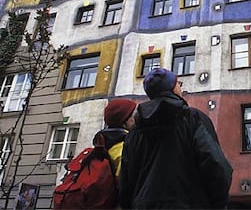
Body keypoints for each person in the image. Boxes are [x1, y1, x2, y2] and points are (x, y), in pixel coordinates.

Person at [119, 68, 233, 209]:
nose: (181, 88)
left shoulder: (134, 133)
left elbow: (125, 184)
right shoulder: (192, 119)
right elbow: (216, 165)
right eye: (179, 83)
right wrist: (218, 203)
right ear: (173, 88)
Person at [93, 98, 137, 184]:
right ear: (125, 121)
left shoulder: (105, 141)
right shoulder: (122, 148)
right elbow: (125, 183)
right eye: (132, 115)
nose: (135, 118)